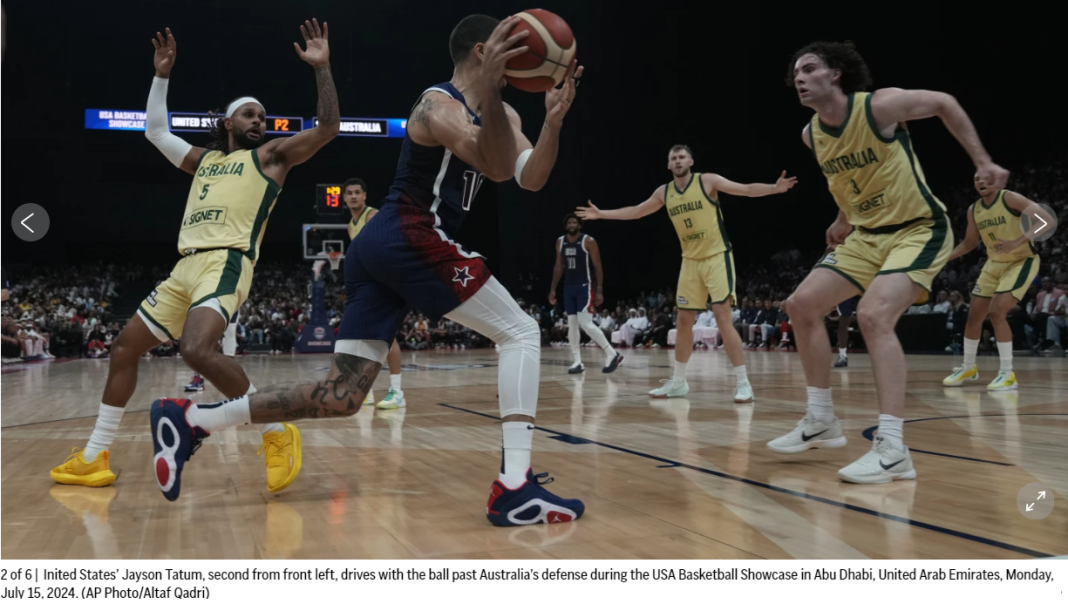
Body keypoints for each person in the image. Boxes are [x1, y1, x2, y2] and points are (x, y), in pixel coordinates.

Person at [148, 14, 587, 527]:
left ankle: (192, 419)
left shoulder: (506, 114)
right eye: (506, 48)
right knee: (521, 331)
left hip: (383, 247)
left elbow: (530, 178)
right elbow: (491, 165)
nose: (516, 59)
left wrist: (553, 123)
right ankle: (514, 486)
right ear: (481, 52)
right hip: (410, 230)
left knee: (342, 397)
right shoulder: (437, 104)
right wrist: (490, 93)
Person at [50, 20, 340, 493]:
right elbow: (156, 132)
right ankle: (94, 455)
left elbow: (328, 127)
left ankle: (275, 433)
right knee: (124, 348)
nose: (258, 122)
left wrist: (322, 68)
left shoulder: (270, 158)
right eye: (249, 115)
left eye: (262, 117)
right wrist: (161, 75)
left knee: (197, 350)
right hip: (185, 266)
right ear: (228, 123)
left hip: (226, 262)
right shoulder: (203, 161)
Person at [769, 40, 1008, 484]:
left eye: (809, 68)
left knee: (873, 315)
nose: (798, 77)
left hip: (918, 228)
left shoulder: (878, 107)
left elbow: (943, 103)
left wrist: (983, 161)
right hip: (866, 235)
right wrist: (842, 218)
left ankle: (894, 449)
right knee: (800, 306)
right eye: (795, 72)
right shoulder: (812, 134)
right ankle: (821, 418)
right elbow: (845, 178)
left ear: (835, 73)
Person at [576, 145, 796, 402]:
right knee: (683, 321)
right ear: (668, 165)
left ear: (691, 161)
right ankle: (678, 382)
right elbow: (636, 211)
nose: (678, 161)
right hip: (690, 261)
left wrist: (774, 188)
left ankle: (743, 383)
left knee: (723, 317)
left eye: (682, 157)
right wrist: (602, 214)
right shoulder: (664, 192)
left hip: (717, 256)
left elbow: (745, 189)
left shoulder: (707, 181)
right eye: (673, 158)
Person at [942, 177, 1053, 390]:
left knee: (997, 312)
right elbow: (969, 243)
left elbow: (1046, 220)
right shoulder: (973, 210)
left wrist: (1017, 242)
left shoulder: (1010, 198)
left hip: (1021, 261)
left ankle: (1007, 373)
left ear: (997, 182)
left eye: (986, 178)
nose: (981, 182)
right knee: (974, 316)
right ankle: (968, 367)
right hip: (994, 264)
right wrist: (943, 258)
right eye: (976, 179)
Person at [343, 177, 406, 408]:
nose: (353, 196)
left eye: (357, 192)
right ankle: (366, 390)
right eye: (349, 193)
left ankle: (397, 392)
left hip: (387, 280)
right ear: (344, 198)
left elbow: (389, 245)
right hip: (370, 283)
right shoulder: (351, 225)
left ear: (364, 196)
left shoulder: (373, 216)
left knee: (388, 337)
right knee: (368, 336)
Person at [548, 213, 623, 374]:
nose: (572, 224)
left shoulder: (588, 241)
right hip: (569, 287)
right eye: (569, 222)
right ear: (566, 225)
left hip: (585, 286)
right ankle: (577, 362)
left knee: (585, 323)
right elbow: (558, 266)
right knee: (572, 326)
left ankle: (612, 353)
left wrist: (600, 290)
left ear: (579, 225)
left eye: (575, 222)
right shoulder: (560, 242)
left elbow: (598, 266)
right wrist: (553, 289)